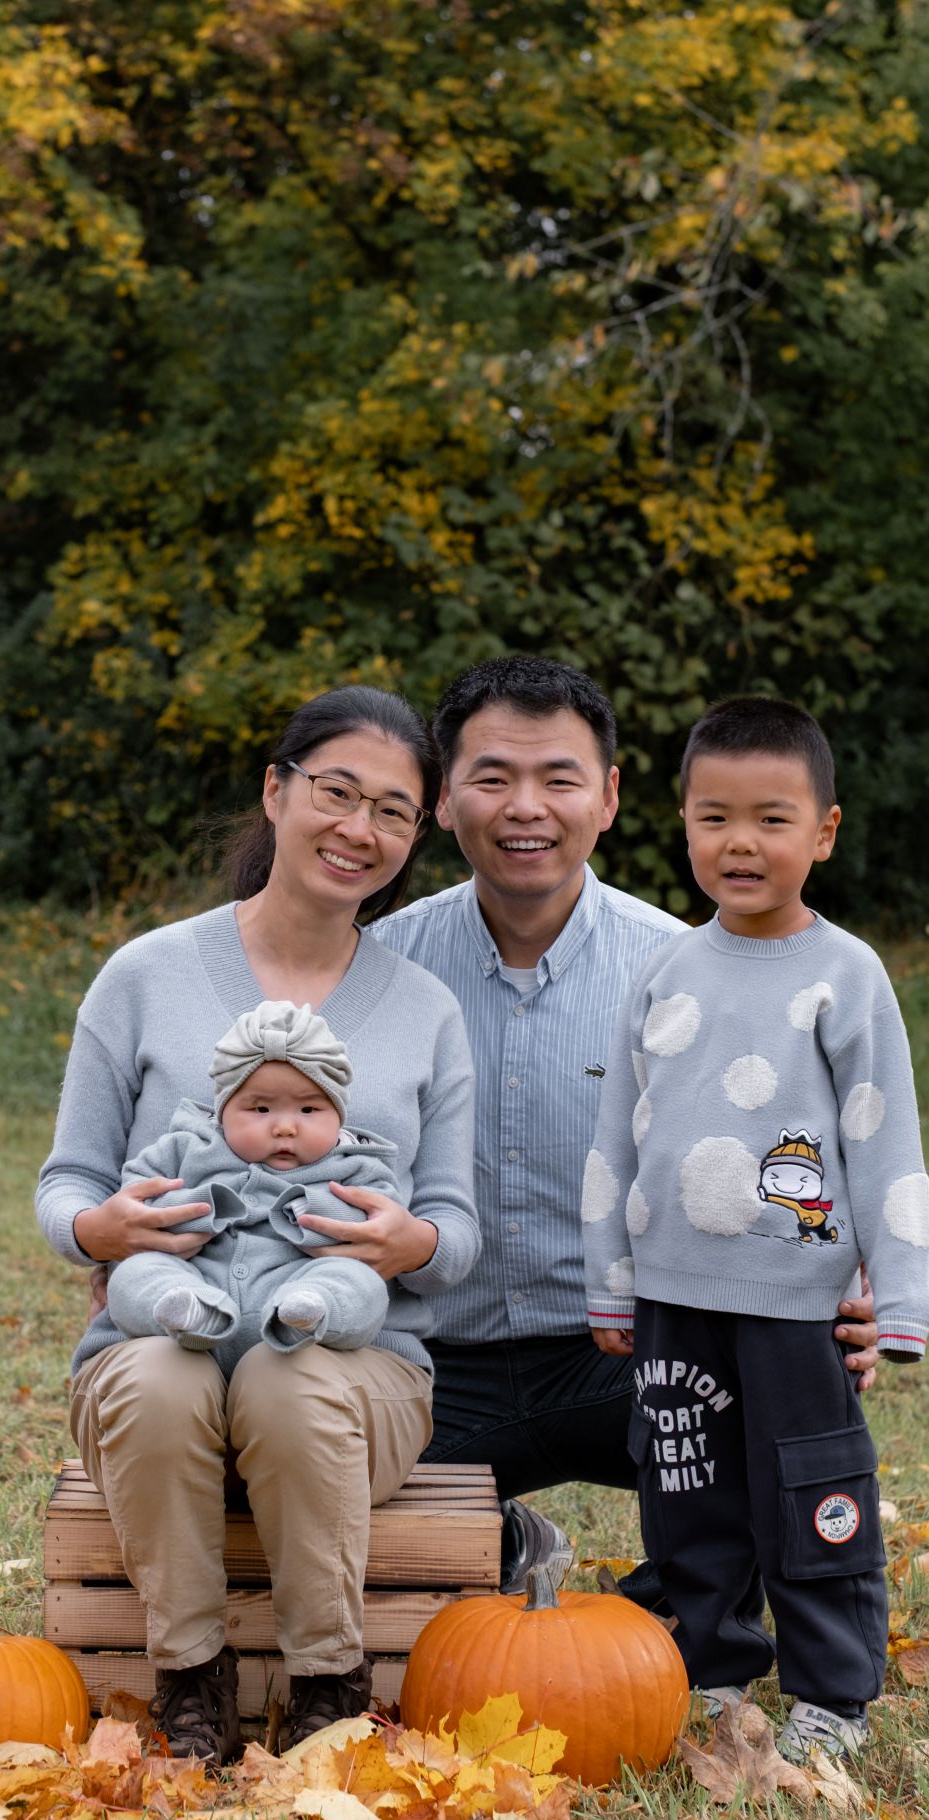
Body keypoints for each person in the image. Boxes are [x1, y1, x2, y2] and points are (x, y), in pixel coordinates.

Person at [35, 687, 480, 1763]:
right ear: (276, 789)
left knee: (289, 1377)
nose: (358, 827)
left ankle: (329, 1684)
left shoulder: (423, 1007)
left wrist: (404, 1243)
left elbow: (456, 1230)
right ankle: (190, 1678)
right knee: (160, 1374)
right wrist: (106, 1227)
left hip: (352, 1361)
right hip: (161, 1344)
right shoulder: (146, 974)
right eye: (336, 791)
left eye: (391, 809)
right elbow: (64, 1186)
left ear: (413, 835)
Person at [371, 656, 879, 1595]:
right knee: (294, 1480)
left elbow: (795, 1153)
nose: (526, 806)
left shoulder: (684, 972)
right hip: (436, 1363)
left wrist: (845, 1284)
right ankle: (503, 1544)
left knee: (781, 1419)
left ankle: (686, 1621)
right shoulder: (377, 972)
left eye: (557, 778)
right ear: (444, 799)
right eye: (492, 778)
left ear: (605, 797)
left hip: (637, 1349)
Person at [584, 696, 926, 1760]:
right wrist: (611, 1281)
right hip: (674, 1299)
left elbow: (882, 1139)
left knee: (811, 1496)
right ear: (681, 824)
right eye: (714, 817)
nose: (741, 843)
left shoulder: (844, 973)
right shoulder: (664, 968)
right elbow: (617, 1131)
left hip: (793, 1301)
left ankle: (832, 1689)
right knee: (687, 1490)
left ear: (822, 831)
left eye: (772, 819)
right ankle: (713, 1665)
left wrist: (903, 1297)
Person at [106, 1000, 400, 1371]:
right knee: (134, 1275)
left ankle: (306, 1316)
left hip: (303, 1285)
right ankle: (192, 1313)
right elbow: (136, 1202)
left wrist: (309, 1210)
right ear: (223, 1110)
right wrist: (201, 1207)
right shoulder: (186, 1146)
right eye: (261, 1110)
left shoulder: (355, 1164)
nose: (285, 1127)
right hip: (194, 1279)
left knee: (360, 1282)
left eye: (308, 1110)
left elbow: (381, 1226)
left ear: (339, 1115)